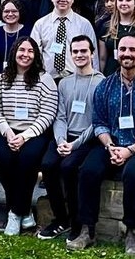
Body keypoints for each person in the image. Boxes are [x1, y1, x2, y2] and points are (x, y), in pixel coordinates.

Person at [70, 35, 135, 254]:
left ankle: (132, 233)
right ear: (117, 53)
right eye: (122, 49)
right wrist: (110, 146)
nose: (126, 53)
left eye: (132, 49)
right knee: (88, 170)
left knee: (134, 173)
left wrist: (130, 151)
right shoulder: (105, 86)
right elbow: (99, 123)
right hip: (112, 145)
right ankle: (87, 230)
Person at [38, 35, 104, 240]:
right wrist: (60, 141)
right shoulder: (65, 83)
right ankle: (61, 218)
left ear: (92, 53)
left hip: (87, 139)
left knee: (68, 168)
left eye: (84, 51)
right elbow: (60, 116)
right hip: (64, 137)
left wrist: (74, 145)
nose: (79, 55)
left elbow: (98, 122)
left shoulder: (101, 82)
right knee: (48, 165)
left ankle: (78, 222)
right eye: (75, 51)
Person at [0, 36, 57, 236]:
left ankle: (14, 212)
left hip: (34, 133)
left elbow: (48, 113)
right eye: (22, 50)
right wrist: (9, 133)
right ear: (14, 53)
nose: (25, 55)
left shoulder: (44, 79)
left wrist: (25, 136)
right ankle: (24, 209)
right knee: (1, 157)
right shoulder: (1, 79)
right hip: (8, 131)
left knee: (26, 159)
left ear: (36, 54)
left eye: (30, 51)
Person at [31, 0, 98, 80]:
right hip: (47, 80)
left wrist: (94, 77)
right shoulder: (40, 24)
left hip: (76, 79)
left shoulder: (84, 24)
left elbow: (94, 54)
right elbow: (34, 54)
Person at [99, 0, 135, 75]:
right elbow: (102, 58)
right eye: (120, 0)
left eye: (128, 0)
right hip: (110, 75)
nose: (124, 3)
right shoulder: (106, 26)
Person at [0, 0, 30, 75]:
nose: (10, 14)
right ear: (1, 13)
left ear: (20, 12)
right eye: (6, 11)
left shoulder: (28, 32)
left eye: (14, 11)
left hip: (23, 76)